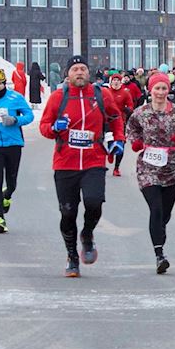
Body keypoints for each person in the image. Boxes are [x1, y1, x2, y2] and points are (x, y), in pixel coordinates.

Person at [39, 55, 126, 277]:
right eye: (75, 69)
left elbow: (116, 117)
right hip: (65, 161)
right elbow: (44, 127)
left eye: (83, 69)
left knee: (94, 202)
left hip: (93, 159)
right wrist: (55, 127)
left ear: (89, 73)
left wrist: (118, 140)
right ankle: (72, 256)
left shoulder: (101, 94)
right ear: (68, 74)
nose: (79, 73)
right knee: (68, 213)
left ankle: (87, 234)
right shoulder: (59, 97)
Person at [125, 73, 175, 273]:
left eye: (163, 88)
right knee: (156, 208)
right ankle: (159, 254)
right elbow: (131, 128)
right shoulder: (141, 113)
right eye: (157, 89)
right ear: (150, 90)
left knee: (164, 213)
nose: (161, 93)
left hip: (171, 168)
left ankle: (159, 235)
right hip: (148, 168)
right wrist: (135, 142)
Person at [0, 68, 34, 232]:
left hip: (13, 144)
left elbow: (29, 115)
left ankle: (7, 195)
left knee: (12, 182)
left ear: (4, 83)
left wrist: (15, 119)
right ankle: (0, 219)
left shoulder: (15, 98)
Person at [104, 71, 135, 176]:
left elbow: (131, 106)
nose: (116, 82)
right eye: (114, 80)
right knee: (111, 142)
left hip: (121, 121)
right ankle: (110, 152)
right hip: (108, 121)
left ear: (120, 82)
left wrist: (128, 109)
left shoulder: (125, 93)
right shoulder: (107, 92)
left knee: (121, 144)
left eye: (117, 80)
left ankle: (116, 168)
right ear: (111, 81)